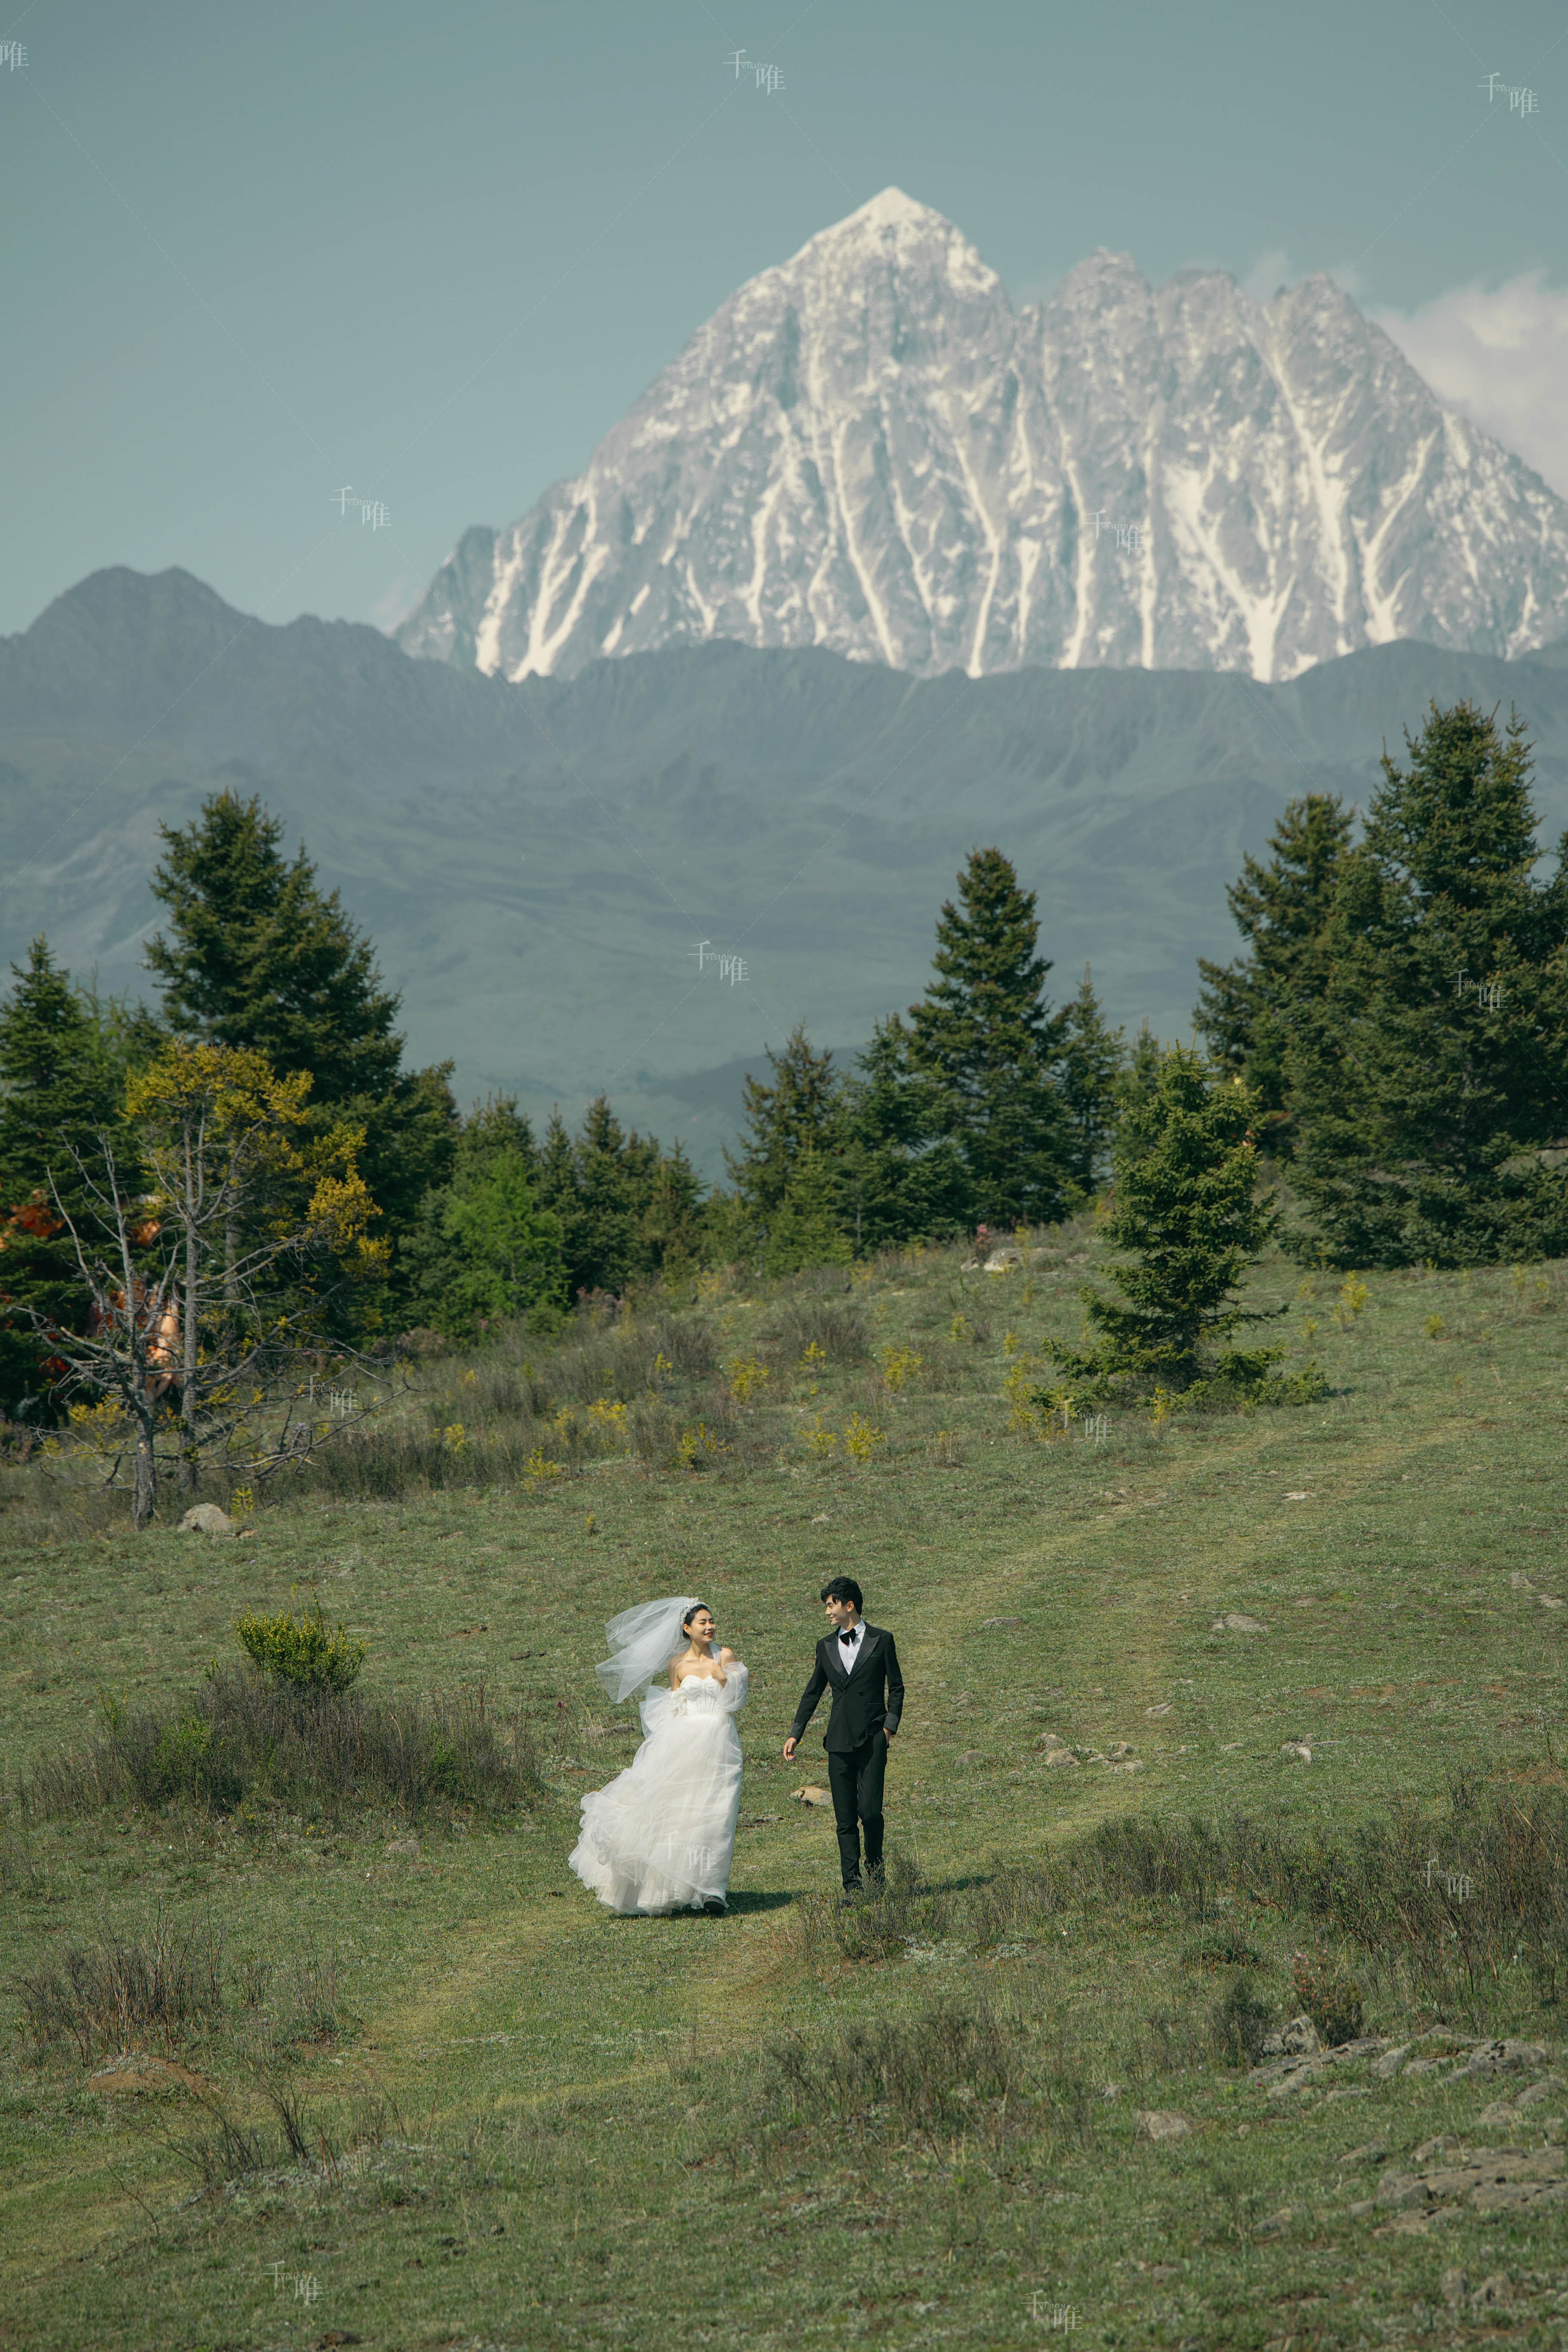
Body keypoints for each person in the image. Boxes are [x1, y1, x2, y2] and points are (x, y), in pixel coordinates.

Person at [568, 1596, 748, 1916]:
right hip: (684, 1741)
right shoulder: (677, 1665)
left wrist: (725, 1680)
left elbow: (738, 1700)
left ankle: (713, 1889)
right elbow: (674, 1707)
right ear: (686, 1628)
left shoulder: (726, 1655)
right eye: (703, 1622)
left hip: (720, 1738)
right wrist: (664, 1751)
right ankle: (678, 1884)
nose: (711, 1627)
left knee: (718, 1812)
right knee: (683, 1813)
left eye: (712, 1621)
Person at [783, 1576, 903, 1896]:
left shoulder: (882, 1640)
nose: (827, 1612)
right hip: (837, 1742)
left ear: (849, 1606)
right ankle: (852, 1886)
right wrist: (797, 1733)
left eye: (831, 1605)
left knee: (870, 1812)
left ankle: (877, 1878)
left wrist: (889, 1728)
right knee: (845, 1818)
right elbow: (812, 1693)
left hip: (873, 1739)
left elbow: (897, 1687)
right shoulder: (824, 1646)